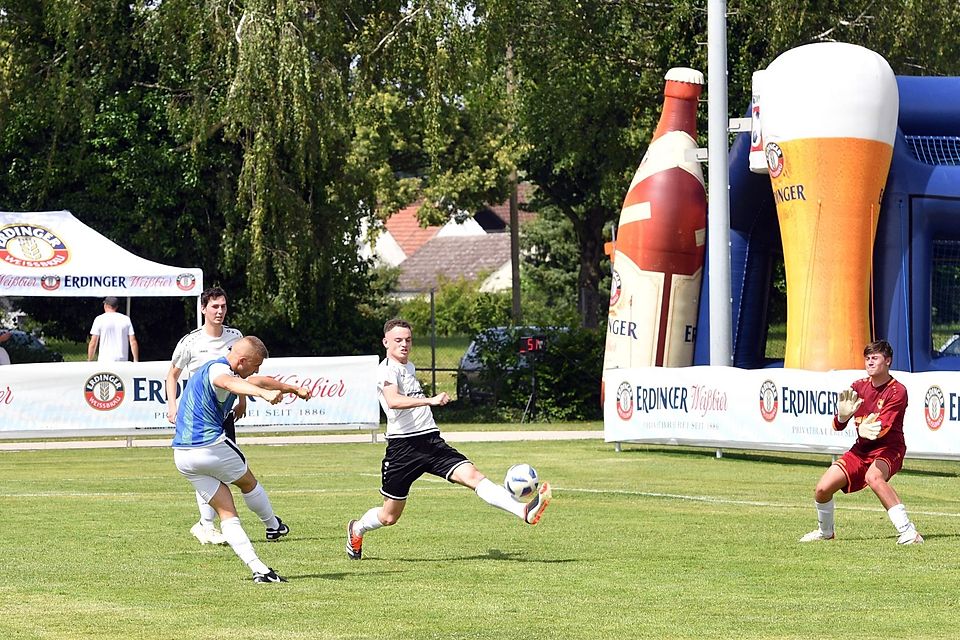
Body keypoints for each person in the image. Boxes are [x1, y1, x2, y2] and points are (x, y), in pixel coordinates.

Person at [345, 318, 553, 561]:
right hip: (403, 448)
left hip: (431, 441)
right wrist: (430, 400)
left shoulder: (408, 367)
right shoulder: (386, 370)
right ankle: (356, 529)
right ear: (385, 342)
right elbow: (393, 401)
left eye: (408, 340)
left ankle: (523, 511)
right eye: (398, 340)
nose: (404, 345)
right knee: (389, 517)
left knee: (474, 477)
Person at [171, 336, 312, 583]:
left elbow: (257, 380)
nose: (256, 370)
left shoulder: (219, 367)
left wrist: (292, 389)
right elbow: (231, 383)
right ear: (242, 360)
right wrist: (263, 395)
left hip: (183, 456)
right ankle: (272, 525)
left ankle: (260, 570)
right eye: (255, 365)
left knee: (227, 512)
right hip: (209, 446)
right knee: (248, 482)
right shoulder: (219, 370)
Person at [800, 339, 923, 545]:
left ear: (888, 361)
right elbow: (838, 426)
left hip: (889, 448)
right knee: (822, 489)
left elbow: (882, 429)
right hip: (861, 450)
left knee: (874, 477)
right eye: (867, 358)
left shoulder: (897, 391)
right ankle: (826, 532)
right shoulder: (857, 386)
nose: (870, 362)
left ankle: (909, 531)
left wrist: (865, 428)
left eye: (875, 358)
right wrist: (842, 417)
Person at [166, 287, 246, 545]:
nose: (220, 311)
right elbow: (172, 375)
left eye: (223, 306)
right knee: (207, 468)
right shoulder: (190, 341)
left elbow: (241, 373)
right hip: (197, 417)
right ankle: (207, 524)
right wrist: (172, 405)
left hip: (223, 414)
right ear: (203, 309)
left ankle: (205, 524)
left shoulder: (235, 337)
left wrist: (242, 399)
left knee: (219, 469)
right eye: (214, 306)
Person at [87, 296, 139, 362]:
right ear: (116, 307)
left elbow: (93, 342)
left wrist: (90, 359)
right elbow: (133, 341)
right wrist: (136, 360)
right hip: (122, 360)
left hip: (104, 360)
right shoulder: (126, 319)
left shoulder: (99, 319)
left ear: (105, 305)